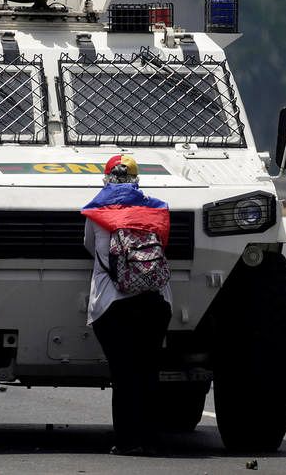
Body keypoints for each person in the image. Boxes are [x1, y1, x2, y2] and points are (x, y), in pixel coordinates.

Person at [81, 154, 173, 456]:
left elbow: (89, 247)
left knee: (124, 375)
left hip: (112, 304)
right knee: (149, 372)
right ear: (136, 180)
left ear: (106, 179)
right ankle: (151, 440)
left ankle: (127, 441)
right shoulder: (156, 210)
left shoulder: (96, 211)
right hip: (155, 301)